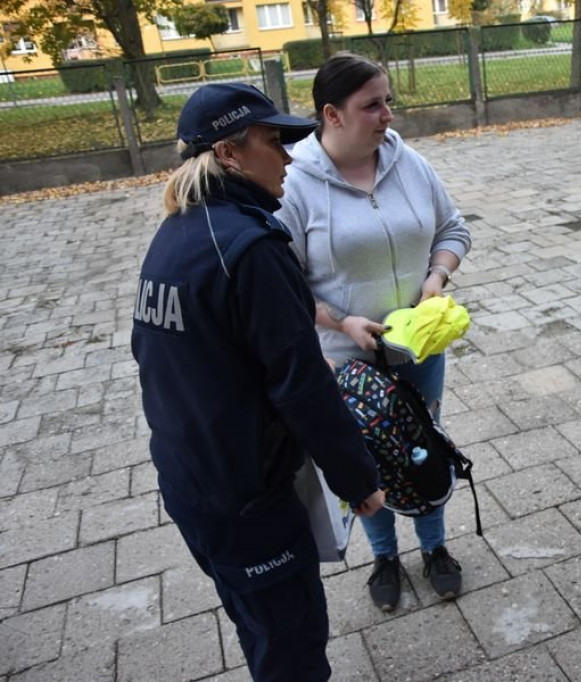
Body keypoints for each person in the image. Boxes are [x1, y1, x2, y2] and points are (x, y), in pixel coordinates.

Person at [131, 82, 386, 682]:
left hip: (192, 485)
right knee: (292, 646)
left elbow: (176, 357)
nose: (290, 158)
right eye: (274, 142)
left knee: (259, 627)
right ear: (229, 153)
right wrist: (358, 481)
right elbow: (301, 385)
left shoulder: (177, 234)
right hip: (246, 497)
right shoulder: (250, 248)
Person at [275, 53, 472, 612]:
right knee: (368, 457)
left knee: (423, 445)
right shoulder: (294, 184)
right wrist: (340, 321)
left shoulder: (409, 162)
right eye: (372, 105)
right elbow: (283, 283)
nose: (388, 114)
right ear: (332, 114)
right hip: (346, 360)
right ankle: (384, 556)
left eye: (388, 101)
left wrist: (436, 277)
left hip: (417, 349)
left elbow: (453, 229)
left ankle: (434, 546)